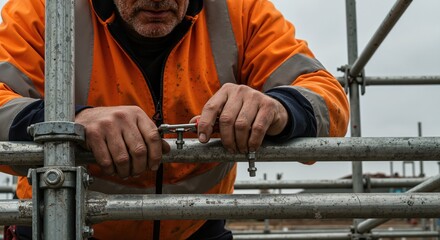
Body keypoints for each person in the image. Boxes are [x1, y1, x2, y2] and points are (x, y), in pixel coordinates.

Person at [0, 0, 349, 239]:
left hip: (196, 228)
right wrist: (71, 122)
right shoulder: (45, 10)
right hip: (61, 225)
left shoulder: (240, 10)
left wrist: (277, 107)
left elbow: (327, 98)